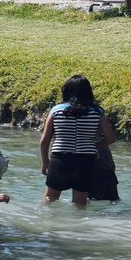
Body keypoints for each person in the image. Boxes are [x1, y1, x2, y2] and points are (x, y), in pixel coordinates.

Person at [39, 75, 116, 207]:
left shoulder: (56, 111)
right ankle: (78, 222)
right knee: (80, 204)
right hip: (85, 160)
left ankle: (45, 220)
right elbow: (111, 138)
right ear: (88, 92)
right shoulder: (97, 112)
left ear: (66, 91)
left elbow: (44, 141)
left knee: (49, 199)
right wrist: (94, 146)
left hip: (60, 158)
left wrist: (45, 163)